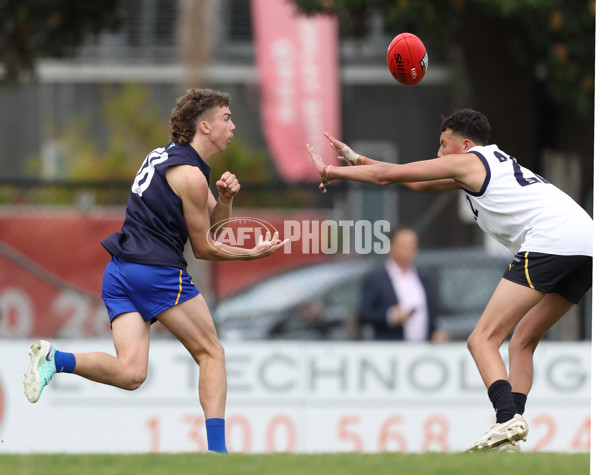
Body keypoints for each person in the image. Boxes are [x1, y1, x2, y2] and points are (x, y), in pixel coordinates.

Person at [306, 109, 592, 452]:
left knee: (481, 339)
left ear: (466, 145)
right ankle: (510, 434)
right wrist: (357, 158)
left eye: (444, 145)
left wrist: (332, 171)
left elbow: (386, 177)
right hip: (586, 244)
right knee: (523, 341)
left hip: (551, 240)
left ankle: (506, 419)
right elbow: (416, 181)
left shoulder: (469, 161)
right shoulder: (489, 163)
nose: (439, 154)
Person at [24, 88, 287, 454]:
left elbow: (214, 227)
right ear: (205, 125)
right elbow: (205, 248)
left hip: (119, 273)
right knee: (212, 354)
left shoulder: (170, 159)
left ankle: (56, 359)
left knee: (132, 373)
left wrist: (225, 201)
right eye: (226, 118)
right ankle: (218, 455)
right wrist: (250, 254)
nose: (233, 125)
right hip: (155, 273)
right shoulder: (191, 175)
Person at [358, 227, 449, 342]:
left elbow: (430, 317)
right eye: (405, 245)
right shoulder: (376, 279)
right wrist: (392, 316)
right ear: (392, 247)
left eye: (413, 245)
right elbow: (364, 314)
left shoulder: (423, 279)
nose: (411, 250)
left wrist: (435, 333)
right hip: (392, 349)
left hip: (423, 350)